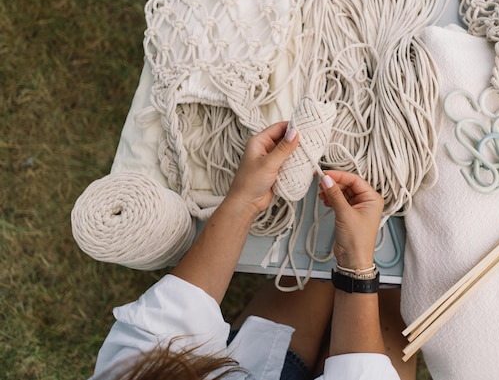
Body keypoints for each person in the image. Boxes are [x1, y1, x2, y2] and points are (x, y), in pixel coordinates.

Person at [90, 121, 416, 380]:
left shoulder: (136, 373)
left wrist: (245, 199)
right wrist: (356, 262)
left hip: (245, 369)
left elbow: (171, 318)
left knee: (313, 277)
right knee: (395, 293)